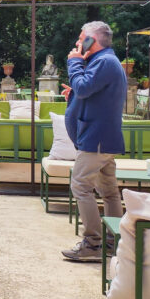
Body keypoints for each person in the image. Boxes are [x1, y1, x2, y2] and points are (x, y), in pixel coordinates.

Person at [60, 21, 126, 262]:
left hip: (96, 140)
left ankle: (92, 244)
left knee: (80, 185)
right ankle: (112, 241)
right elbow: (88, 92)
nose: (78, 43)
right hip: (101, 138)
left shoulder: (105, 61)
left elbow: (85, 87)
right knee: (108, 191)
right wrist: (74, 93)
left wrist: (75, 61)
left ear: (92, 40)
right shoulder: (104, 62)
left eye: (81, 39)